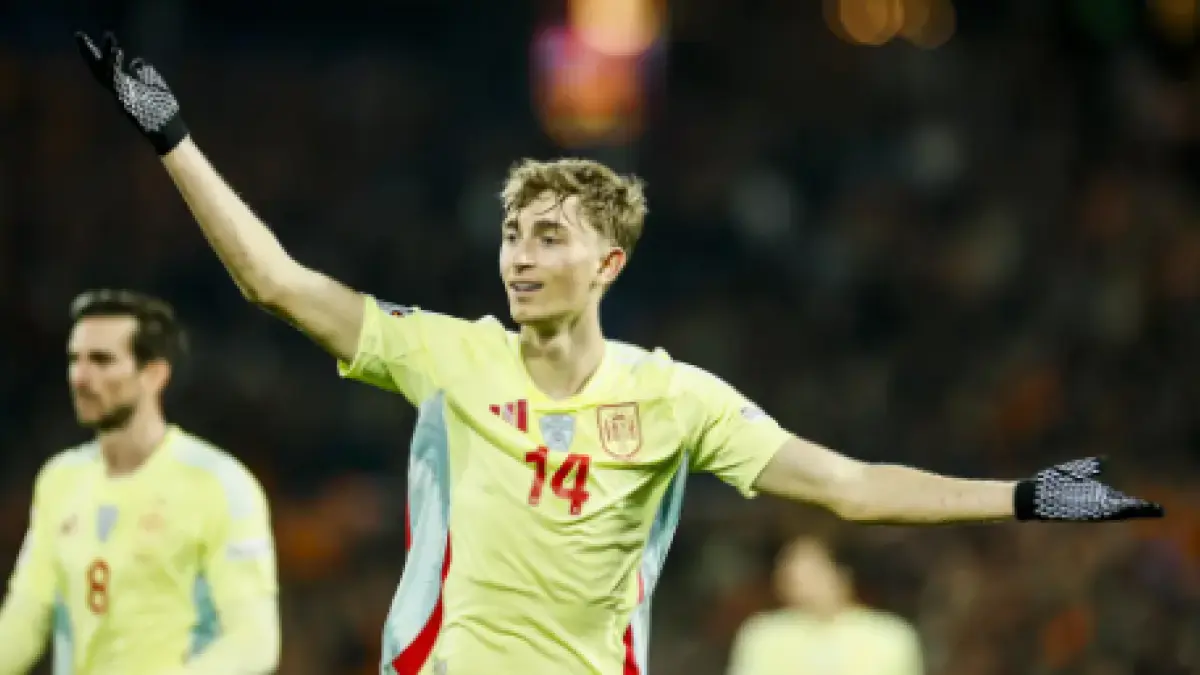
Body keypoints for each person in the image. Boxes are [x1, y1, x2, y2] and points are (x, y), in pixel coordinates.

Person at [72, 31, 1163, 675]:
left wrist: (1023, 498)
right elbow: (274, 282)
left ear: (608, 262)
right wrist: (172, 135)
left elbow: (852, 486)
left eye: (548, 236)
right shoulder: (447, 356)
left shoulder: (674, 396)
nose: (519, 255)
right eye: (512, 234)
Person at [0, 290, 280, 675]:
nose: (81, 377)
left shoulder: (218, 484)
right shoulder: (59, 479)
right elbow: (25, 618)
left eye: (102, 360)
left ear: (154, 374)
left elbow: (254, 643)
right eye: (75, 359)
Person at [728, 536, 924, 675]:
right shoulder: (762, 634)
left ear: (842, 574)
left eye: (810, 572)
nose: (797, 580)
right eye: (790, 571)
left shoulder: (890, 635)